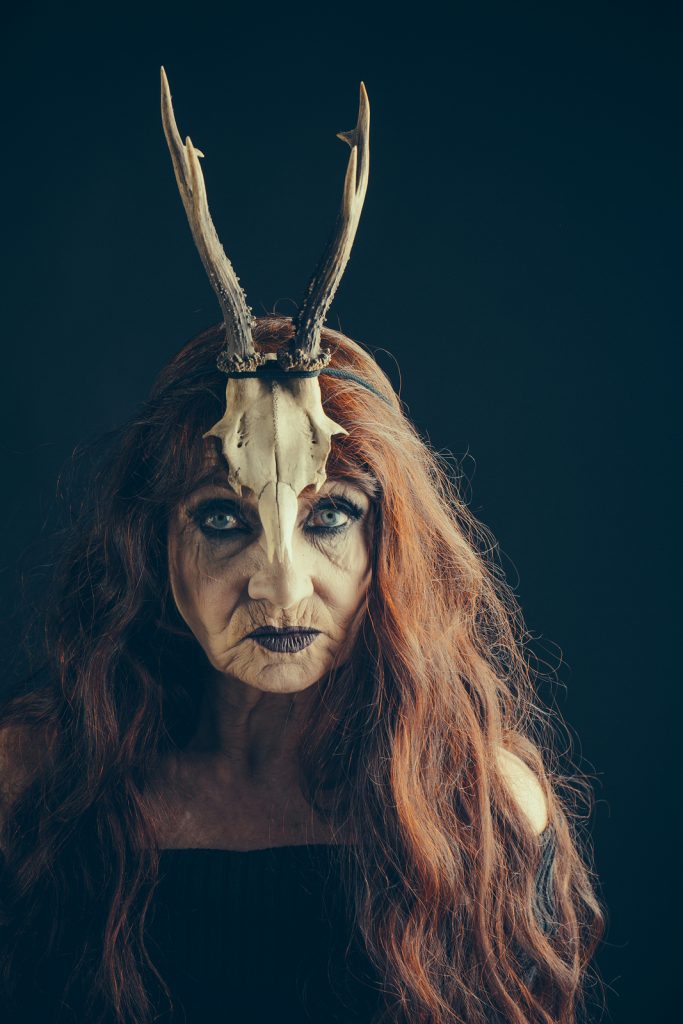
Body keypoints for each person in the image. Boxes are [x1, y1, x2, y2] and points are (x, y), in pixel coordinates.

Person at [0, 71, 603, 1024]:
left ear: (388, 545)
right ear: (149, 543)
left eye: (328, 518)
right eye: (222, 519)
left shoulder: (482, 808)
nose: (279, 582)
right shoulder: (35, 790)